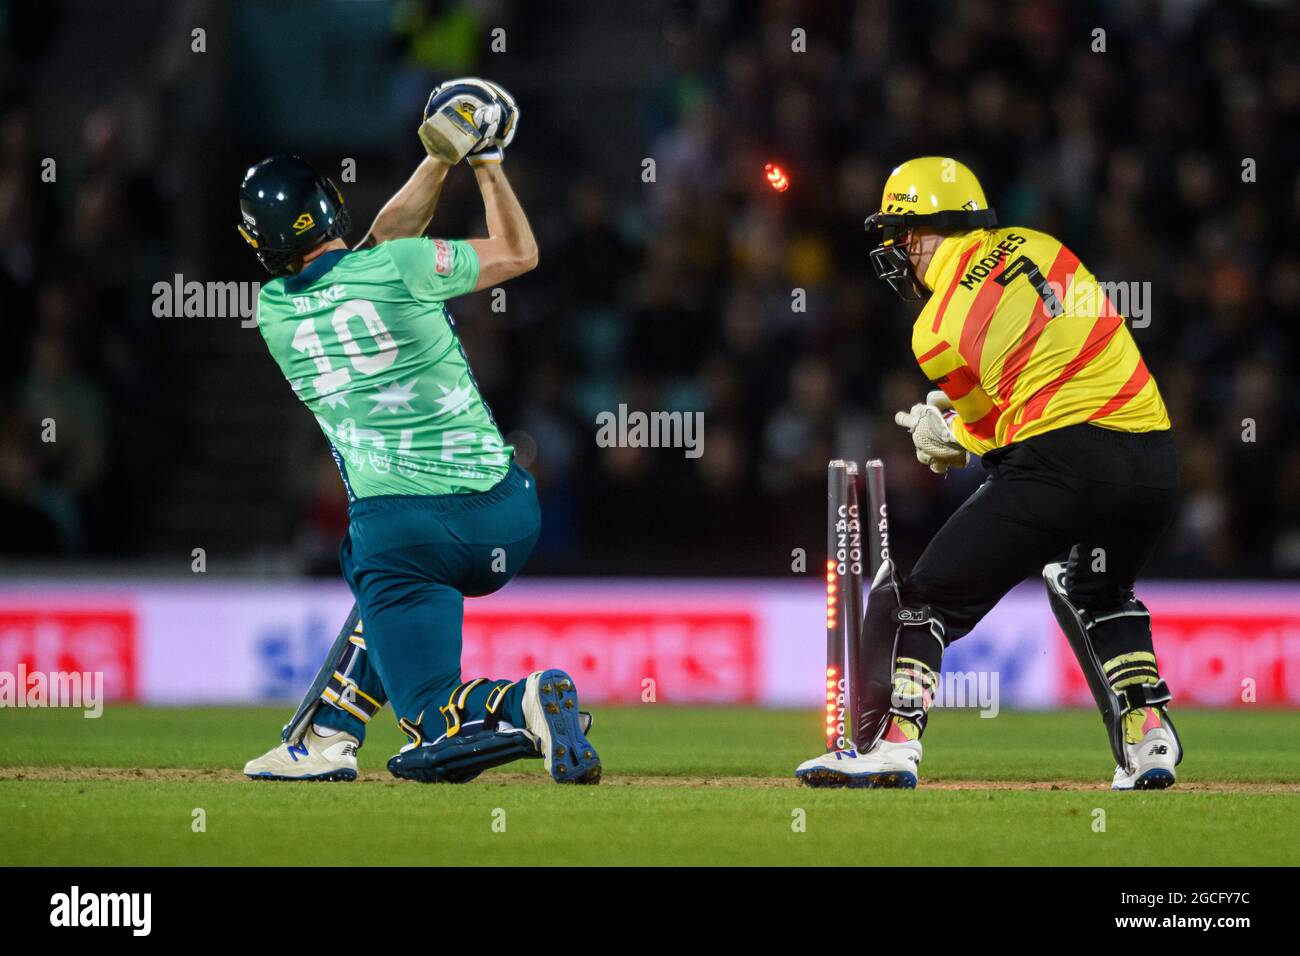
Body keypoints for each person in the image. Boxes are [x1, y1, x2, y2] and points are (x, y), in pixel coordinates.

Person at [240, 79, 600, 785]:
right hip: (507, 513)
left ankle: (522, 699)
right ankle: (328, 735)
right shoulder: (402, 266)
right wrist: (483, 157)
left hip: (404, 535)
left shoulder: (274, 313)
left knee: (430, 726)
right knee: (377, 594)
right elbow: (517, 252)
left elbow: (370, 247)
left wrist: (442, 156)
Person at [796, 157, 1181, 791]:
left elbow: (998, 435)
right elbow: (1059, 350)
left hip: (1063, 461)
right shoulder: (1043, 245)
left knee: (926, 599)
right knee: (1097, 590)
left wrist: (944, 434)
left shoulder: (935, 327)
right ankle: (1149, 738)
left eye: (900, 237)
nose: (898, 253)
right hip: (1153, 461)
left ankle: (893, 746)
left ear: (926, 231)